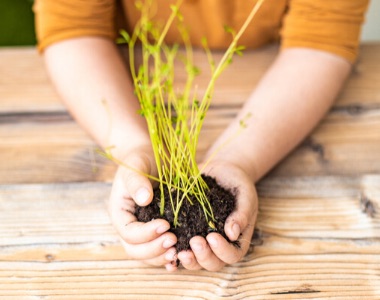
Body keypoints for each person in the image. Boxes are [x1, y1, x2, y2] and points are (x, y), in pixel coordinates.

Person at [33, 0, 369, 272]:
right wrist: (132, 146)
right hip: (111, 75)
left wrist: (240, 159)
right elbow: (72, 27)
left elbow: (321, 39)